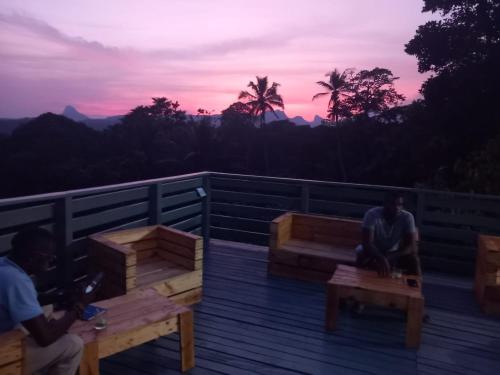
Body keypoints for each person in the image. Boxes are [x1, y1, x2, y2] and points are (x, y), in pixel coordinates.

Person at [0, 227, 88, 375]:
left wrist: (62, 296)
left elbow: (30, 299)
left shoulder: (5, 265)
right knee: (73, 344)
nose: (51, 262)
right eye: (50, 258)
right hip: (4, 354)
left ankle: (47, 330)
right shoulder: (16, 281)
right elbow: (45, 339)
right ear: (34, 257)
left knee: (46, 307)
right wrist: (77, 309)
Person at [356, 191, 421, 277]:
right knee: (361, 254)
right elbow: (367, 243)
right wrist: (381, 258)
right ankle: (358, 283)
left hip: (394, 252)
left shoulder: (407, 217)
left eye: (400, 204)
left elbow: (411, 246)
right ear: (385, 204)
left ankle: (415, 287)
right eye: (393, 204)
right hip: (374, 250)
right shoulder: (372, 214)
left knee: (414, 259)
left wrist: (390, 256)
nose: (397, 207)